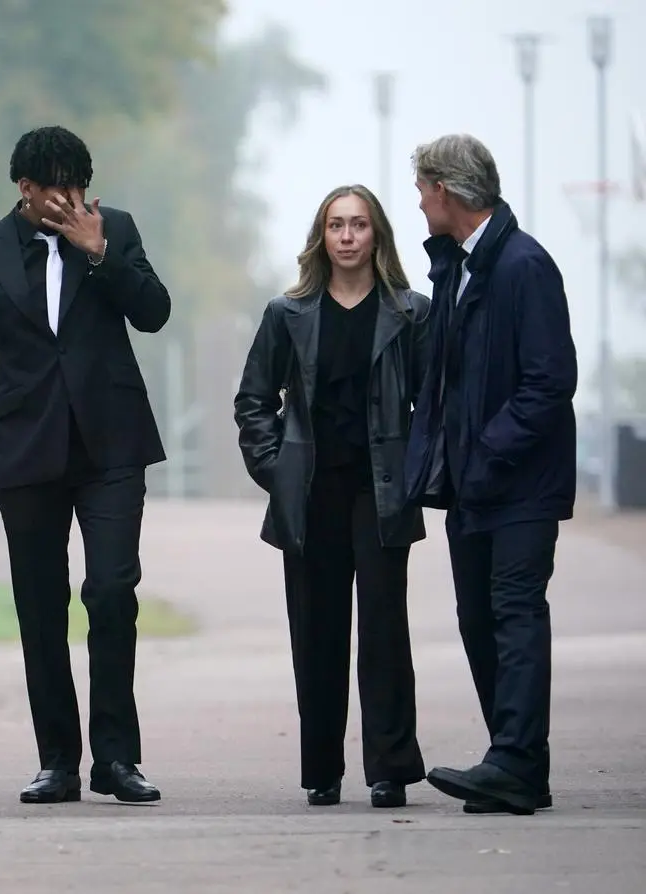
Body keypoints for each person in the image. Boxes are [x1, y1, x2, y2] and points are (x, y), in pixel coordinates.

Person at [0, 125, 171, 804]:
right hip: (26, 450)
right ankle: (59, 762)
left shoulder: (114, 230)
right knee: (41, 607)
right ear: (26, 189)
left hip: (113, 446)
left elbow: (154, 313)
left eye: (80, 188)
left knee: (110, 591)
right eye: (57, 191)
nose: (72, 202)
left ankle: (118, 759)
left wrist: (100, 254)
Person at [234, 185, 431, 809]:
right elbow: (253, 402)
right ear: (322, 236)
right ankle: (322, 769)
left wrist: (417, 472)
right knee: (316, 633)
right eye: (336, 225)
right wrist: (276, 470)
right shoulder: (287, 313)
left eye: (359, 225)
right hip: (312, 493)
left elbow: (433, 407)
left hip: (381, 491)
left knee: (383, 631)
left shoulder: (410, 313)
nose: (347, 237)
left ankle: (389, 768)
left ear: (378, 236)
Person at [404, 134, 576, 816]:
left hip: (519, 485)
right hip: (473, 486)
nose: (419, 204)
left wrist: (486, 448)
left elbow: (549, 379)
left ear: (445, 191)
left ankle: (514, 761)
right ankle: (517, 764)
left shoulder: (525, 266)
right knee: (477, 617)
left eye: (423, 191)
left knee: (514, 614)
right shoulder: (457, 268)